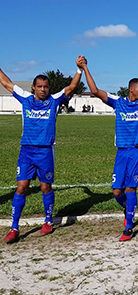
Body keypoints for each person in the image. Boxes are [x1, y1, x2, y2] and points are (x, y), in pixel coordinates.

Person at [82, 53, 138, 241]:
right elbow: (94, 90)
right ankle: (128, 209)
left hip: (137, 151)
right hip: (121, 152)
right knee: (117, 192)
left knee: (131, 189)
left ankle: (129, 227)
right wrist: (84, 68)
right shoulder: (118, 103)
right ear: (132, 89)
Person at [1, 57, 84, 244]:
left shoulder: (54, 101)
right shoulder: (25, 99)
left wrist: (79, 70)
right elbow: (6, 83)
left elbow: (70, 88)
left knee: (45, 187)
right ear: (33, 87)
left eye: (46, 86)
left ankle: (48, 221)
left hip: (46, 152)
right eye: (40, 86)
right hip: (26, 152)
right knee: (21, 187)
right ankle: (14, 227)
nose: (43, 89)